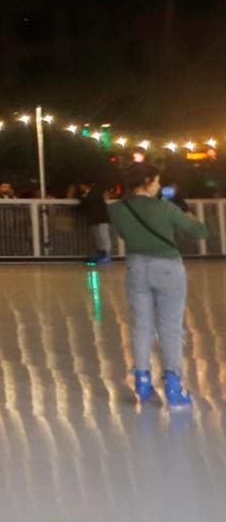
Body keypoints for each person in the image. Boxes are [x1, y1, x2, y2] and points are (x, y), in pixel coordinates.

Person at [107, 162, 206, 408]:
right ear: (148, 180)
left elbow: (124, 235)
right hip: (168, 269)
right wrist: (190, 216)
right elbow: (200, 232)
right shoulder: (165, 207)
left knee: (141, 326)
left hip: (136, 268)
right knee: (170, 327)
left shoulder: (117, 209)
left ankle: (142, 381)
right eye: (158, 181)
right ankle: (173, 385)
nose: (160, 186)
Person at [75, 181, 112, 264]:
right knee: (98, 237)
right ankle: (100, 254)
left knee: (103, 236)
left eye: (81, 185)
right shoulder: (85, 195)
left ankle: (106, 255)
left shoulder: (95, 192)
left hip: (101, 218)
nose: (80, 187)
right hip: (94, 219)